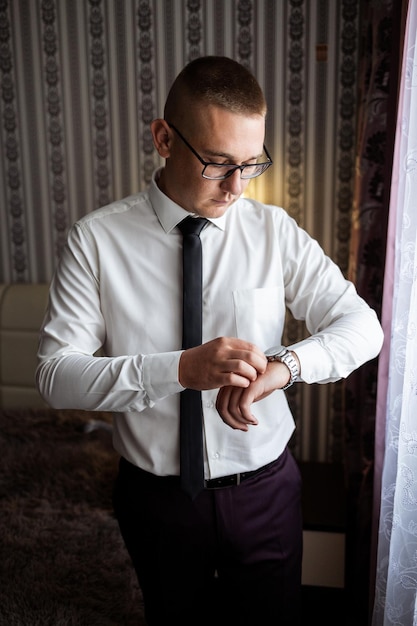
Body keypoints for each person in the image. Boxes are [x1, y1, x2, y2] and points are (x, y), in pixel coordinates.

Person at [36, 55, 384, 626]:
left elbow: (363, 326)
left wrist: (283, 367)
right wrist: (180, 370)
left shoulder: (274, 232)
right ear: (164, 138)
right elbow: (54, 376)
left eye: (251, 164)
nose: (235, 186)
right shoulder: (95, 241)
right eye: (218, 162)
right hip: (156, 499)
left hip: (267, 492)